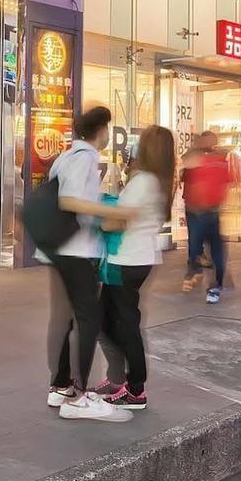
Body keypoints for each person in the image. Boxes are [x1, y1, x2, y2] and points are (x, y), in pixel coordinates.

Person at [44, 106, 131, 422]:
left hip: (63, 249)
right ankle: (79, 396)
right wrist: (111, 212)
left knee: (67, 321)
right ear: (101, 130)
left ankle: (62, 385)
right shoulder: (84, 158)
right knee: (87, 321)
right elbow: (68, 200)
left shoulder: (65, 156)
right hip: (78, 252)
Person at [92, 125, 175, 410]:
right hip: (137, 258)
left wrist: (99, 216)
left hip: (126, 260)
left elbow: (117, 221)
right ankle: (120, 378)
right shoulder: (158, 182)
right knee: (110, 319)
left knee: (123, 324)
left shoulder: (144, 183)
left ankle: (135, 388)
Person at [180, 130, 233, 303]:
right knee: (198, 245)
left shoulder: (217, 159)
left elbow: (225, 183)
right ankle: (199, 274)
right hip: (197, 210)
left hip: (208, 210)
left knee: (212, 248)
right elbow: (185, 167)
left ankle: (211, 282)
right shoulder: (202, 158)